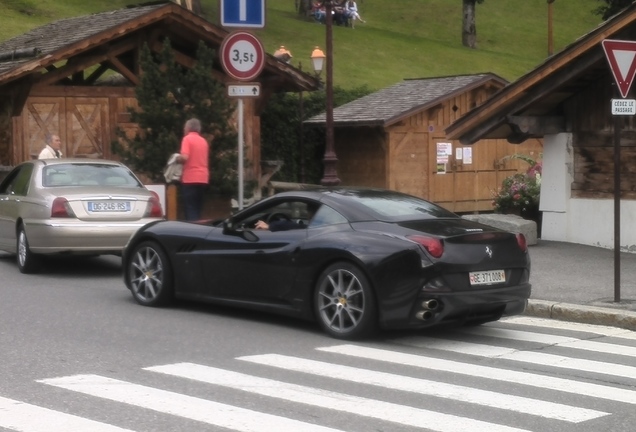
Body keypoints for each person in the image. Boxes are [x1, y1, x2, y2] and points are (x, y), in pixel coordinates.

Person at [177, 118, 210, 221]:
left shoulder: (187, 139)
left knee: (190, 208)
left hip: (190, 178)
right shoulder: (203, 141)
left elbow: (185, 157)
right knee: (198, 207)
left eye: (184, 127)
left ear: (188, 128)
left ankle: (192, 231)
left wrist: (177, 158)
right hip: (203, 178)